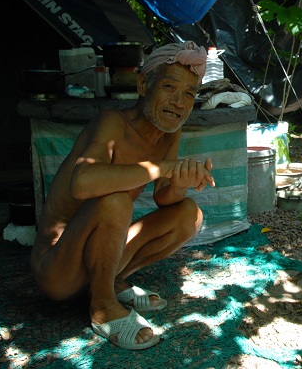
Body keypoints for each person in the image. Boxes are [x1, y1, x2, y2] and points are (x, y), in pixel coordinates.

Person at [30, 42, 216, 349]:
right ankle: (102, 305)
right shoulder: (112, 121)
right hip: (58, 267)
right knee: (113, 199)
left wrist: (180, 181)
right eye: (169, 87)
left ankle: (111, 281)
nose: (179, 101)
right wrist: (161, 167)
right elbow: (83, 183)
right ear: (144, 84)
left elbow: (164, 199)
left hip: (100, 255)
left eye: (189, 93)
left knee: (188, 214)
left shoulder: (169, 132)